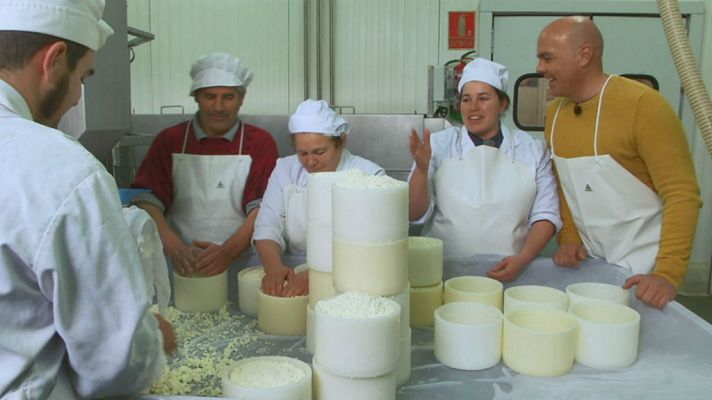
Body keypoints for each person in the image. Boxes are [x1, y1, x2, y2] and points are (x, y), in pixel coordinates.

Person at [0, 0, 175, 398]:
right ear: (54, 60)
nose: (78, 97)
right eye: (83, 76)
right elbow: (117, 364)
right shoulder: (63, 171)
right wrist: (150, 342)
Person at [537, 16, 701, 309]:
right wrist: (570, 239)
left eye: (547, 58)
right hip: (592, 268)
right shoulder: (555, 114)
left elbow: (682, 194)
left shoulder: (643, 105)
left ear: (584, 54)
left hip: (646, 272)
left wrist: (667, 273)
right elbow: (564, 186)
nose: (540, 68)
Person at [409, 58, 561, 282]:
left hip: (510, 270)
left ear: (502, 104)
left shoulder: (532, 150)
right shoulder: (438, 146)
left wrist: (525, 257)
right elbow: (414, 214)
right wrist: (421, 171)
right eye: (466, 99)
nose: (473, 108)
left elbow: (545, 214)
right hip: (443, 272)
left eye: (483, 98)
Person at [131, 53, 279, 280]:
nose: (218, 107)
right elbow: (146, 201)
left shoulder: (259, 142)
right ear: (196, 97)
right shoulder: (169, 140)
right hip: (179, 265)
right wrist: (175, 248)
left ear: (242, 98)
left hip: (240, 264)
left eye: (228, 97)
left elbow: (264, 209)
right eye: (210, 96)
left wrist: (227, 253)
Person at [254, 99, 385, 296]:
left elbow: (370, 242)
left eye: (319, 152)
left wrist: (315, 275)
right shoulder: (285, 169)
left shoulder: (370, 176)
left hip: (349, 279)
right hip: (293, 276)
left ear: (341, 141)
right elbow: (267, 225)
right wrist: (274, 269)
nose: (310, 161)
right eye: (302, 153)